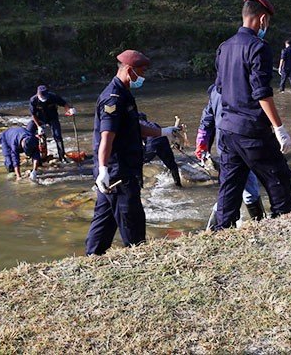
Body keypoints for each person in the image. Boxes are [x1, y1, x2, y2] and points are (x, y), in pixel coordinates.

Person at [85, 50, 180, 255]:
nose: (143, 76)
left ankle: (92, 257)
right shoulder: (113, 99)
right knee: (133, 222)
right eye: (141, 71)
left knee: (105, 220)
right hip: (119, 174)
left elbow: (131, 126)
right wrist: (103, 169)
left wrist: (162, 132)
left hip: (118, 171)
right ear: (129, 70)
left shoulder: (123, 93)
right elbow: (106, 136)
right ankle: (138, 258)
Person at [212, 0, 291, 229]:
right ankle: (282, 227)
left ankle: (222, 231)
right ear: (262, 19)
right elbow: (262, 93)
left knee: (229, 186)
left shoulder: (224, 47)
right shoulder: (259, 47)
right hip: (252, 131)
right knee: (279, 179)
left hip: (226, 130)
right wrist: (279, 128)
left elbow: (219, 87)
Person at [195, 84, 266, 227]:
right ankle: (255, 222)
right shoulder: (244, 88)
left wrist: (202, 145)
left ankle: (255, 222)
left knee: (239, 184)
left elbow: (207, 120)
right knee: (236, 187)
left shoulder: (216, 91)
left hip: (225, 148)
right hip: (241, 146)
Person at [27, 85, 74, 161]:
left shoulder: (53, 97)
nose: (44, 99)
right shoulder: (33, 100)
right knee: (28, 131)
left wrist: (69, 110)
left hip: (52, 118)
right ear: (38, 94)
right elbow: (33, 115)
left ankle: (62, 156)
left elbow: (64, 104)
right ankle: (31, 154)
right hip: (39, 119)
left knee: (57, 136)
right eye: (42, 97)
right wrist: (38, 126)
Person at [138, 112, 182, 187]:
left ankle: (140, 187)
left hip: (152, 145)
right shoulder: (153, 124)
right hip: (163, 142)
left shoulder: (139, 126)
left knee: (138, 164)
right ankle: (178, 185)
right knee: (172, 166)